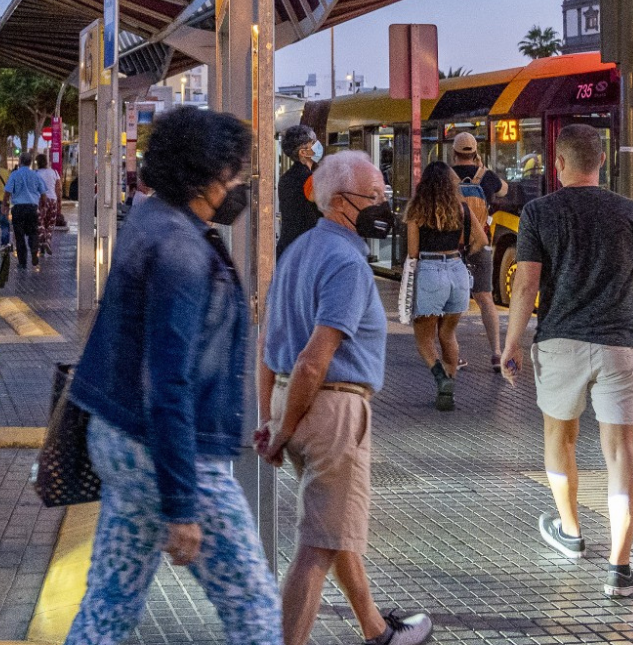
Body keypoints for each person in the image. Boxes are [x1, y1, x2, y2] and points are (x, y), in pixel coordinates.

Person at [63, 107, 280, 645]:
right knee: (252, 601)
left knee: (111, 599)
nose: (238, 184)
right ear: (203, 176)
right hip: (169, 451)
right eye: (233, 172)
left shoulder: (151, 221)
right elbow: (169, 379)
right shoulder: (181, 249)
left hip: (119, 438)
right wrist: (182, 504)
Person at [499, 124, 633, 599]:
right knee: (622, 450)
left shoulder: (539, 212)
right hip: (620, 345)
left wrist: (511, 342)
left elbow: (526, 285)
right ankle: (620, 568)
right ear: (601, 161)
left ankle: (570, 531)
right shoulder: (631, 212)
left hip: (560, 343)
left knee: (559, 437)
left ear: (558, 165)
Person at [258, 150, 432, 645]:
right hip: (330, 409)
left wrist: (270, 418)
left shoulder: (297, 252)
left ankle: (377, 630)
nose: (384, 205)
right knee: (317, 545)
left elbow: (267, 349)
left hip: (293, 402)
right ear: (341, 202)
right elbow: (315, 359)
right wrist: (283, 430)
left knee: (334, 528)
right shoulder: (347, 263)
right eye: (374, 197)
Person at [404, 161, 479, 410]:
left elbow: (413, 253)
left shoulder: (416, 210)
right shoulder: (461, 209)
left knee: (424, 339)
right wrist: (458, 253)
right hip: (457, 272)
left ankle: (441, 379)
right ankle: (450, 389)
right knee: (448, 334)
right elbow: (480, 241)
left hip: (430, 270)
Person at [448, 135, 506, 374]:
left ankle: (454, 356)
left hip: (452, 245)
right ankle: (496, 354)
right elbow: (504, 190)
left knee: (453, 302)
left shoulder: (446, 175)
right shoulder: (487, 177)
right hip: (480, 244)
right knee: (485, 299)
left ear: (454, 152)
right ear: (475, 152)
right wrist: (482, 168)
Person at [277, 124, 323, 256]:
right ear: (303, 152)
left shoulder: (286, 178)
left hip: (288, 247)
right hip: (305, 250)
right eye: (313, 143)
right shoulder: (308, 180)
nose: (317, 145)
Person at [5, 153, 45, 271]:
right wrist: (42, 207)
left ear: (20, 161)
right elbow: (43, 194)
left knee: (19, 236)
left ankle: (22, 263)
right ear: (30, 162)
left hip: (18, 209)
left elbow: (7, 192)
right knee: (33, 233)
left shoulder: (14, 175)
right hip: (32, 208)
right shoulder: (36, 175)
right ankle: (34, 255)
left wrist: (4, 204)